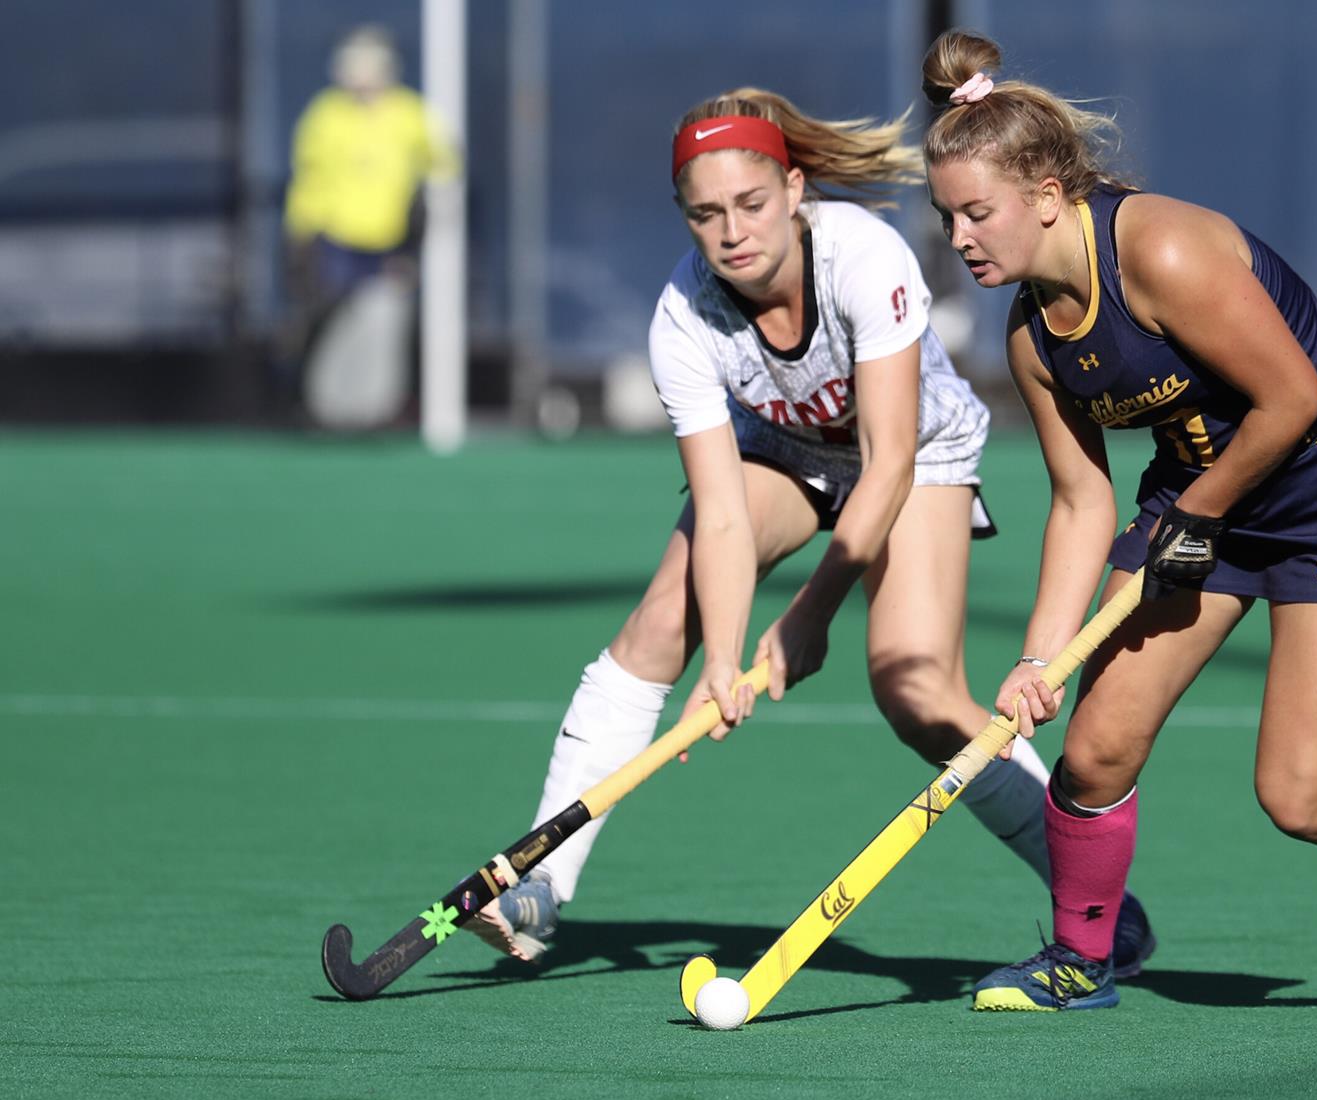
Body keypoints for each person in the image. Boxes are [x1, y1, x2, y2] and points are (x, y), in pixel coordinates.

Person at [468, 88, 1155, 976]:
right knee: (659, 624)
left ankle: (1093, 900)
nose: (732, 233)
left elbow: (889, 461)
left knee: (916, 690)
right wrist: (724, 659)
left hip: (916, 451)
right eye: (705, 214)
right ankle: (539, 884)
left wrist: (809, 614)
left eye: (751, 204)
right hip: (785, 450)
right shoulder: (683, 316)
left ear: (793, 190)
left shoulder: (862, 257)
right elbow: (720, 509)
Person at [919, 31, 1317, 1015]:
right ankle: (1080, 959)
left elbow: (1292, 397)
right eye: (946, 217)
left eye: (975, 213)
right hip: (1203, 498)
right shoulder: (1032, 336)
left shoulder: (1162, 252)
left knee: (1299, 793)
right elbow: (1080, 499)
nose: (959, 238)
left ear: (1046, 194)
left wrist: (1194, 515)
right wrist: (1038, 657)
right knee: (1093, 750)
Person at [282, 25, 457, 428]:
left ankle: (372, 409)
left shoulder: (409, 112)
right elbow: (308, 178)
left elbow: (444, 161)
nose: (361, 74)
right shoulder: (326, 114)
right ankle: (327, 408)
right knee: (333, 325)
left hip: (390, 243)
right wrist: (300, 234)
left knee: (385, 320)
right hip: (336, 242)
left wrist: (425, 218)